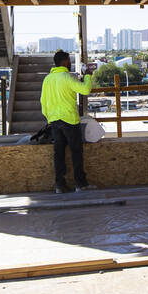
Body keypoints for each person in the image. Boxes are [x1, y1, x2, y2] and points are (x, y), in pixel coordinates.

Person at [41, 50, 96, 193]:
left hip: (54, 121)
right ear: (64, 61)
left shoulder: (47, 79)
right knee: (76, 152)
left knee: (58, 153)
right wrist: (88, 76)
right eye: (69, 60)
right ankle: (80, 184)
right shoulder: (67, 77)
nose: (70, 63)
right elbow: (85, 90)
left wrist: (49, 118)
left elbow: (43, 102)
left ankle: (60, 185)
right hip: (69, 120)